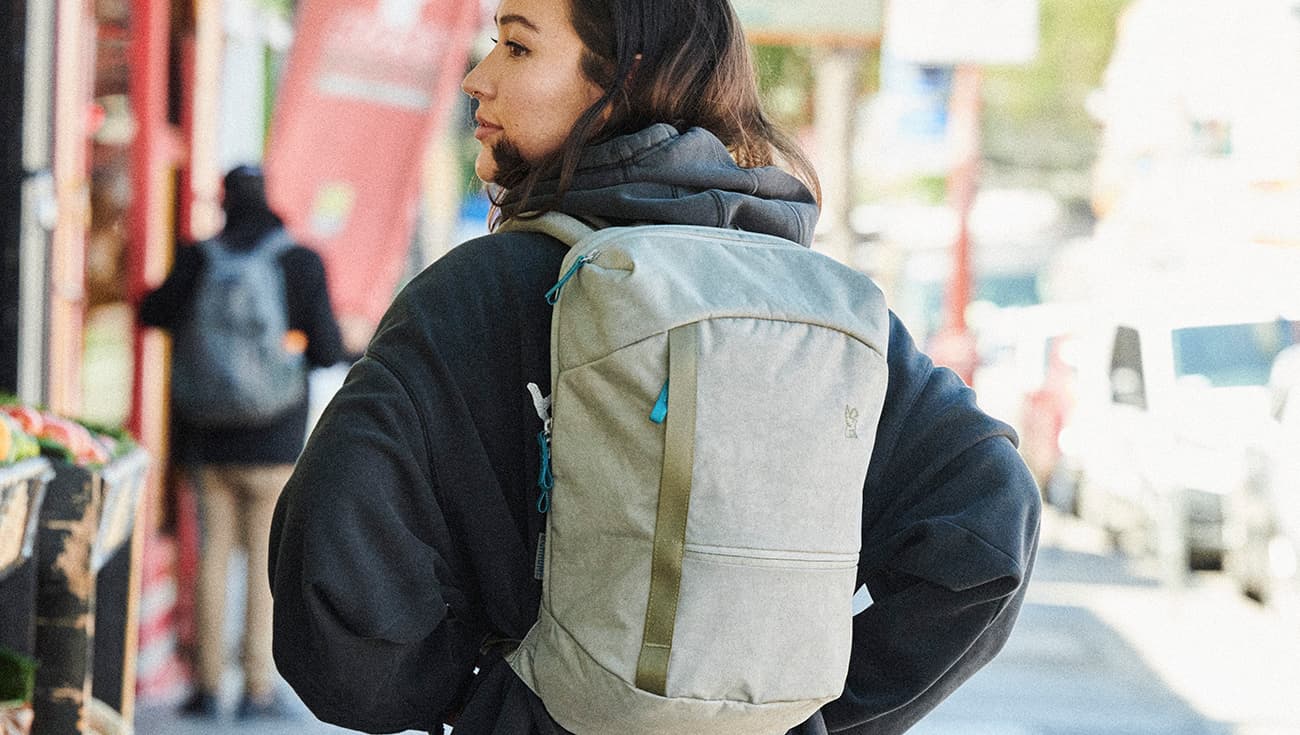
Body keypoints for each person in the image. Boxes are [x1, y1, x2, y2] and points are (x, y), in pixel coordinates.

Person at [268, 0, 1041, 733]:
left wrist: (488, 704)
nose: (479, 76)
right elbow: (990, 519)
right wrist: (820, 714)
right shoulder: (810, 300)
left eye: (517, 43)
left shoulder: (470, 296)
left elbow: (332, 578)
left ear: (625, 76)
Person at [140, 165, 349, 720]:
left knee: (211, 559)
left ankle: (208, 686)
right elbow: (327, 351)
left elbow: (150, 312)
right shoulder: (299, 262)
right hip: (276, 440)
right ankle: (257, 687)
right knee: (263, 563)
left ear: (224, 202)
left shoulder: (198, 258)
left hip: (206, 441)